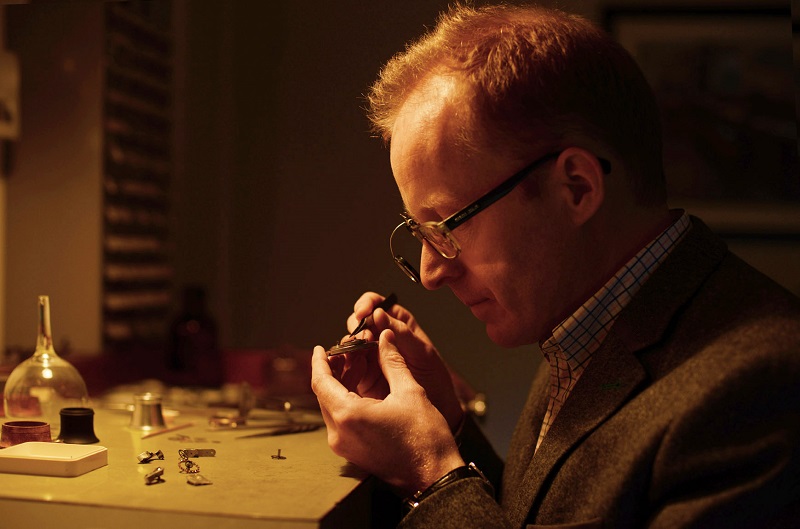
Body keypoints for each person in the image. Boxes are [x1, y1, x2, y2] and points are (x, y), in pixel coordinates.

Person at [311, 4, 800, 528]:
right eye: (420, 234)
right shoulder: (584, 322)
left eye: (448, 225)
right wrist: (448, 424)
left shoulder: (763, 388)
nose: (431, 272)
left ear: (577, 188)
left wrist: (431, 476)